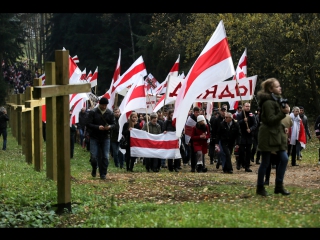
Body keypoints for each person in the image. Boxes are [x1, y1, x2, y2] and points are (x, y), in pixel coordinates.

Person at [256, 78, 290, 196]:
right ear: (271, 89)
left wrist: (282, 125)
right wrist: (283, 113)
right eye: (277, 86)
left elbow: (274, 120)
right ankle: (260, 187)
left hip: (277, 134)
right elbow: (269, 120)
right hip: (267, 135)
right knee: (265, 162)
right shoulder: (268, 102)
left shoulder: (276, 100)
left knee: (284, 158)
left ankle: (279, 186)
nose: (280, 88)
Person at [86, 97, 115, 180]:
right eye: (102, 105)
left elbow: (114, 124)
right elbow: (88, 124)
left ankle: (103, 173)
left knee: (105, 156)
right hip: (94, 137)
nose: (104, 107)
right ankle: (94, 168)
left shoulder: (110, 113)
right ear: (99, 104)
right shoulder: (93, 112)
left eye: (105, 105)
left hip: (105, 137)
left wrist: (109, 127)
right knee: (94, 156)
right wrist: (98, 127)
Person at [264, 106, 293, 186]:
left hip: (271, 143)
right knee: (279, 163)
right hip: (282, 144)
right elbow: (290, 125)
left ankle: (267, 180)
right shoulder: (288, 117)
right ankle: (278, 180)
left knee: (268, 163)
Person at [236, 101, 257, 172]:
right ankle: (239, 162)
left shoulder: (252, 115)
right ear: (243, 107)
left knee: (248, 151)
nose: (248, 108)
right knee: (241, 151)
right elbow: (237, 124)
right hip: (242, 135)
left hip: (249, 136)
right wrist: (243, 121)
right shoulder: (239, 115)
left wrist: (250, 129)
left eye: (249, 106)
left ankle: (247, 166)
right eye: (246, 106)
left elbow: (255, 125)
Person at [184, 106, 200, 172]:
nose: (197, 113)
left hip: (198, 139)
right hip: (192, 139)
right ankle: (193, 167)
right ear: (194, 112)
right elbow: (188, 130)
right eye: (196, 112)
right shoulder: (190, 120)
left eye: (198, 112)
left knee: (199, 153)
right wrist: (189, 140)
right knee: (193, 154)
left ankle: (198, 166)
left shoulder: (200, 119)